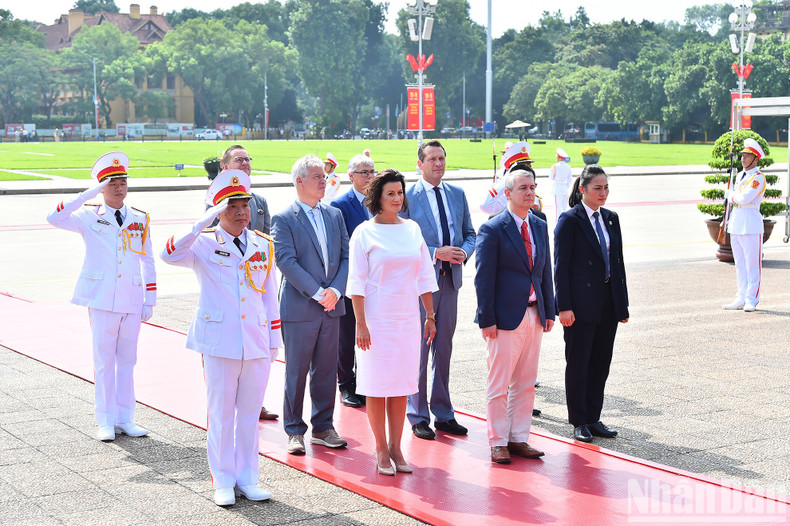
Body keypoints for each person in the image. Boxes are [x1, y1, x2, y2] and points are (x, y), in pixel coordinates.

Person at [160, 170, 280, 506]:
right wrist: (202, 222)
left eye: (245, 205)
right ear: (217, 211)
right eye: (233, 207)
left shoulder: (262, 244)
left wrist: (274, 342)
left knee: (249, 412)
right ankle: (223, 479)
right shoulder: (202, 243)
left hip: (255, 341)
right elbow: (167, 253)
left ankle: (248, 477)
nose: (242, 212)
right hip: (219, 341)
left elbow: (271, 297)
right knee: (221, 412)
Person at [46, 152, 156, 442]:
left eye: (122, 181)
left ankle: (126, 418)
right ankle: (105, 420)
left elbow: (149, 261)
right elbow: (54, 216)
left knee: (128, 361)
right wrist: (89, 192)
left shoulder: (139, 218)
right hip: (102, 298)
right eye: (111, 183)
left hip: (132, 297)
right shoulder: (88, 215)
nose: (119, 187)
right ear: (101, 186)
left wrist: (150, 298)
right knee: (104, 361)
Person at [347, 169, 438, 475]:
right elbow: (356, 282)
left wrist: (430, 315)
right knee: (376, 387)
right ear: (378, 197)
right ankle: (380, 448)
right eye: (391, 193)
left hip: (407, 320)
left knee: (400, 386)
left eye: (400, 192)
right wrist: (360, 323)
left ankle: (397, 447)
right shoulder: (364, 233)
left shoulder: (412, 230)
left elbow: (425, 275)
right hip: (375, 320)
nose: (397, 198)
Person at [475, 169, 555, 464]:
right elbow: (484, 278)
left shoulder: (539, 224)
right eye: (523, 188)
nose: (529, 192)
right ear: (507, 193)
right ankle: (498, 441)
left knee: (526, 382)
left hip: (535, 315)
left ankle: (519, 437)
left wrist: (549, 309)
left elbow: (545, 270)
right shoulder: (493, 229)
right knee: (499, 384)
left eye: (533, 187)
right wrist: (487, 318)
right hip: (504, 319)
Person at [272, 154, 350, 455]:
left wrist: (337, 291)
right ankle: (294, 429)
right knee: (297, 370)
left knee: (327, 370)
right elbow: (286, 262)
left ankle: (323, 426)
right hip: (302, 308)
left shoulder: (334, 215)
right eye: (318, 176)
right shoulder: (284, 218)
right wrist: (320, 293)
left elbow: (345, 256)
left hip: (332, 307)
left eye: (325, 176)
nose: (324, 181)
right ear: (299, 181)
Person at [401, 140, 476, 440]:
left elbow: (470, 233)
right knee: (419, 350)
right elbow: (404, 239)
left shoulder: (457, 194)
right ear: (419, 163)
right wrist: (435, 252)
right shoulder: (408, 197)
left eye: (442, 158)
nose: (438, 164)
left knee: (443, 349)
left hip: (450, 282)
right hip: (422, 285)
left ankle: (443, 413)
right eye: (432, 159)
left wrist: (463, 252)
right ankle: (417, 414)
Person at [554, 164, 629, 443]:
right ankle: (579, 420)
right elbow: (560, 267)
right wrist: (563, 306)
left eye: (606, 187)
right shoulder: (570, 220)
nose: (603, 193)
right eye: (597, 188)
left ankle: (594, 417)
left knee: (601, 363)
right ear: (582, 189)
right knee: (579, 363)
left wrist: (622, 304)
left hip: (607, 303)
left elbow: (617, 264)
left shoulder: (611, 218)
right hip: (580, 305)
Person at [212, 145, 276, 420]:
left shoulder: (258, 200)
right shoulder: (215, 200)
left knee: (254, 356)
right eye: (240, 159)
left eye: (249, 158)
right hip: (226, 283)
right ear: (226, 167)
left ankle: (254, 402)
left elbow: (268, 237)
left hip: (255, 279)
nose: (247, 163)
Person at [330, 154, 376, 408]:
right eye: (363, 172)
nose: (369, 176)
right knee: (347, 336)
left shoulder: (379, 201)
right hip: (352, 281)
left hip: (377, 282)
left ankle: (365, 382)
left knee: (369, 334)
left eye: (371, 171)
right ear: (351, 176)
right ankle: (346, 384)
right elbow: (340, 247)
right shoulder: (340, 205)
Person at [723, 138, 766, 312]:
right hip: (737, 223)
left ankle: (751, 299)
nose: (743, 159)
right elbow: (738, 198)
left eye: (747, 156)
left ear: (755, 159)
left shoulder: (758, 178)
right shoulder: (740, 176)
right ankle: (741, 297)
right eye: (742, 155)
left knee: (752, 265)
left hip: (751, 224)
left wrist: (730, 194)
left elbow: (743, 198)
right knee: (740, 264)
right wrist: (733, 195)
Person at [549, 147, 573, 221]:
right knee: (564, 207)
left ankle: (558, 222)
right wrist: (566, 186)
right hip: (564, 187)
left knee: (558, 208)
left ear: (559, 158)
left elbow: (551, 177)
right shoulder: (568, 167)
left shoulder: (555, 166)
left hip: (557, 187)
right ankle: (565, 221)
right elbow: (570, 179)